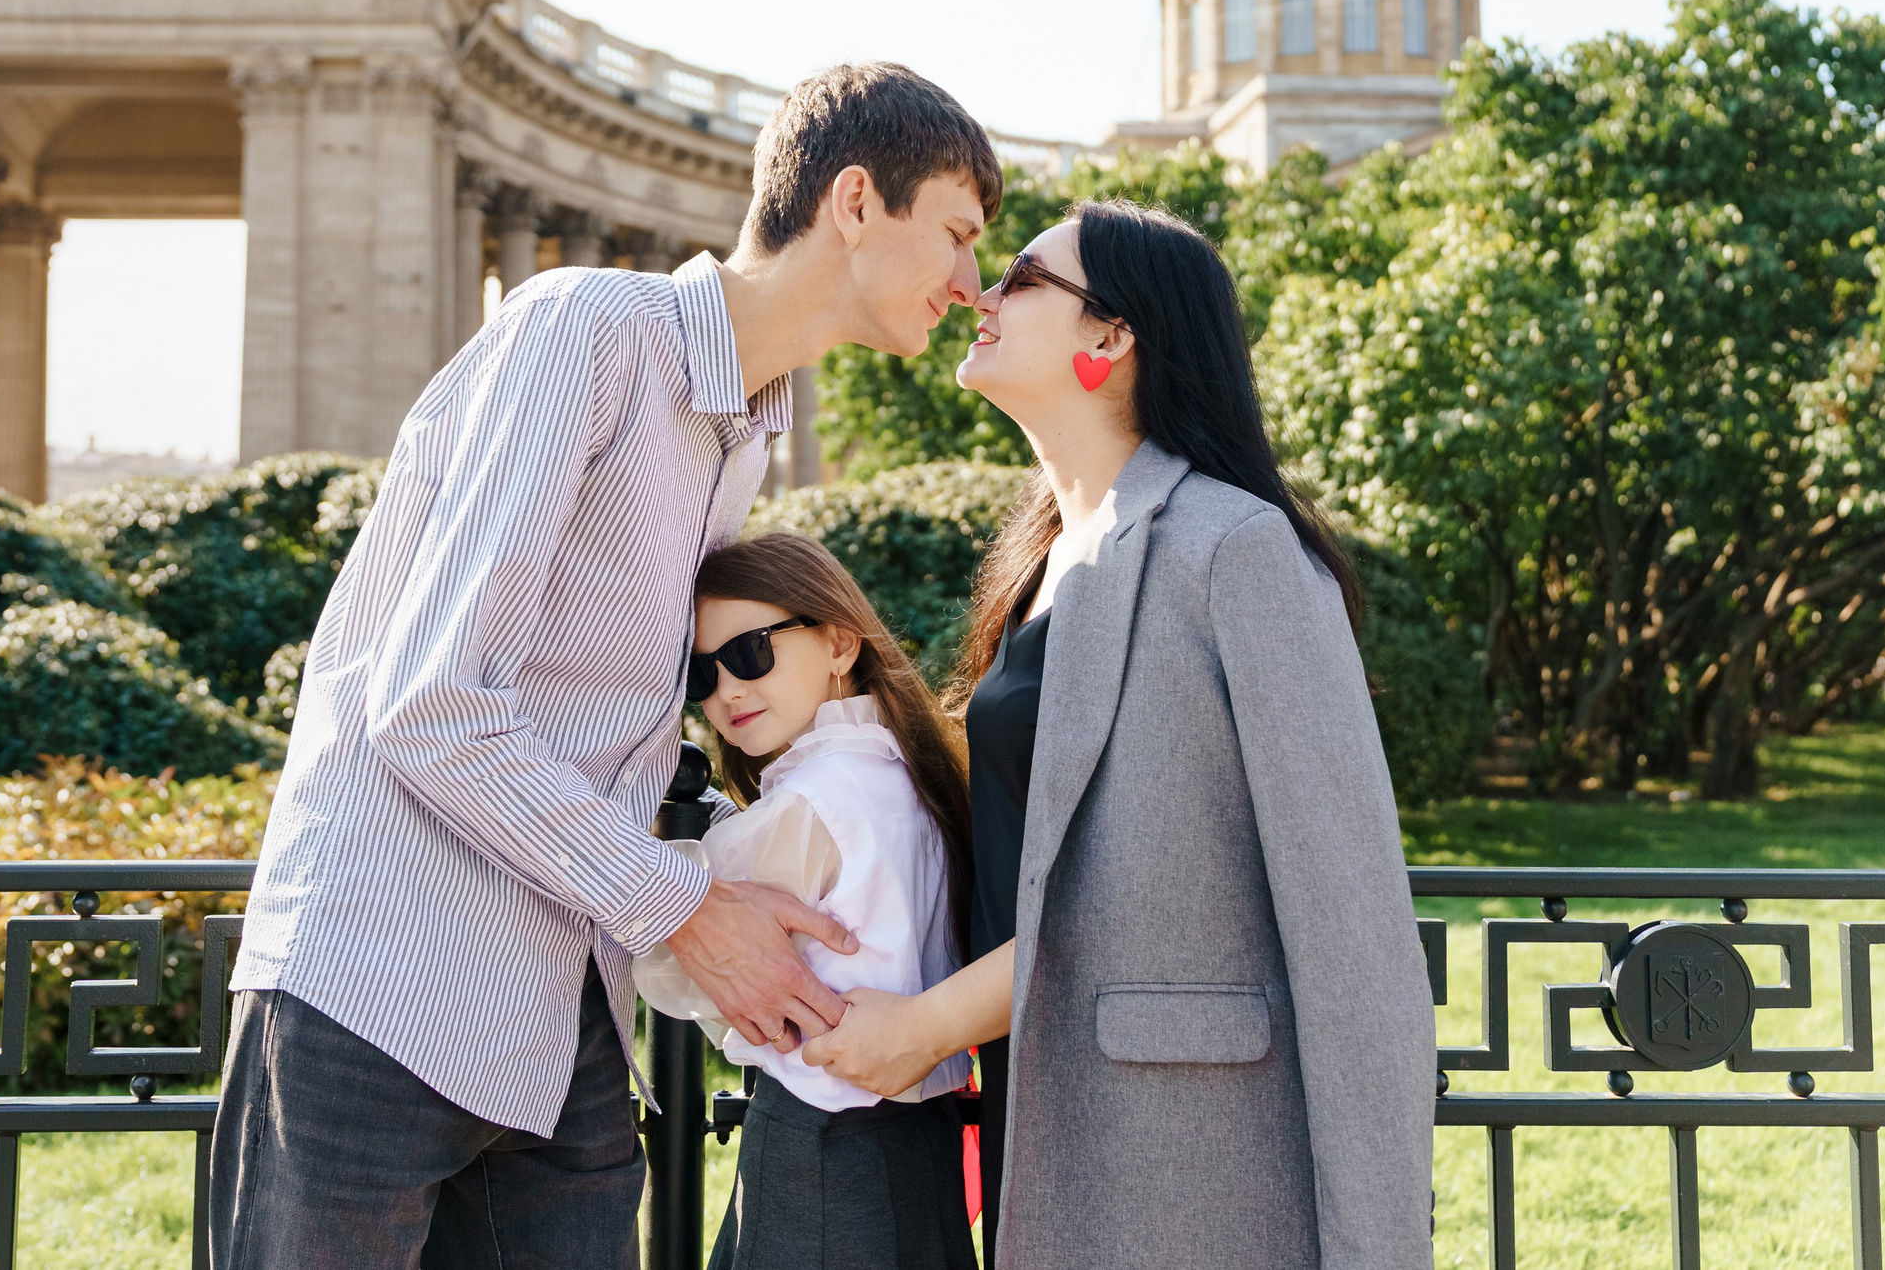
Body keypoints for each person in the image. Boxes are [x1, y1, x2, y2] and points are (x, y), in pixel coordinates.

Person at [211, 63, 1003, 1269]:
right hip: (377, 985)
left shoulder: (750, 426)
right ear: (855, 201)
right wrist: (688, 906)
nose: (969, 281)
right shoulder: (585, 330)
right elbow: (430, 701)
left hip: (562, 1010)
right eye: (955, 231)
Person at [801, 199, 1435, 1270]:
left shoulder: (1236, 548)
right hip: (1041, 1106)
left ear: (1111, 334)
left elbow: (1353, 930)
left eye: (1021, 277)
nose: (978, 294)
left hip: (1188, 1152)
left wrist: (1378, 1247)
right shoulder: (1044, 558)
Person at [637, 532, 976, 1270]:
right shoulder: (910, 777)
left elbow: (672, 961)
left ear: (840, 642)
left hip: (820, 1139)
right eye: (701, 672)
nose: (727, 688)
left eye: (752, 651)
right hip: (924, 1139)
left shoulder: (812, 802)